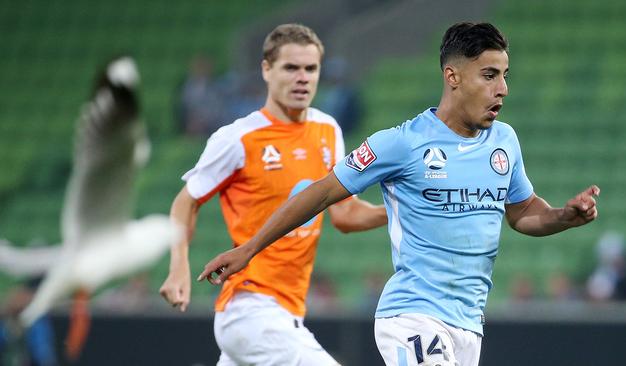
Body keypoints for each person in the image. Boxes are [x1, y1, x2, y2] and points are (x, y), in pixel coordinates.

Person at [198, 22, 600, 366]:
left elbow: (523, 212)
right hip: (413, 317)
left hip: (468, 324)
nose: (503, 89)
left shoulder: (504, 141)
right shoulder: (401, 144)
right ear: (453, 76)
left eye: (505, 75)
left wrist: (564, 216)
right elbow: (321, 194)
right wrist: (249, 249)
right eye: (490, 75)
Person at [159, 23, 387, 366]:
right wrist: (178, 266)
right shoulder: (238, 138)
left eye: (311, 69)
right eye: (291, 68)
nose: (302, 78)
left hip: (286, 312)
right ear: (267, 69)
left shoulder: (327, 130)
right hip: (252, 310)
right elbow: (186, 201)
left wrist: (401, 210)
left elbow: (345, 214)